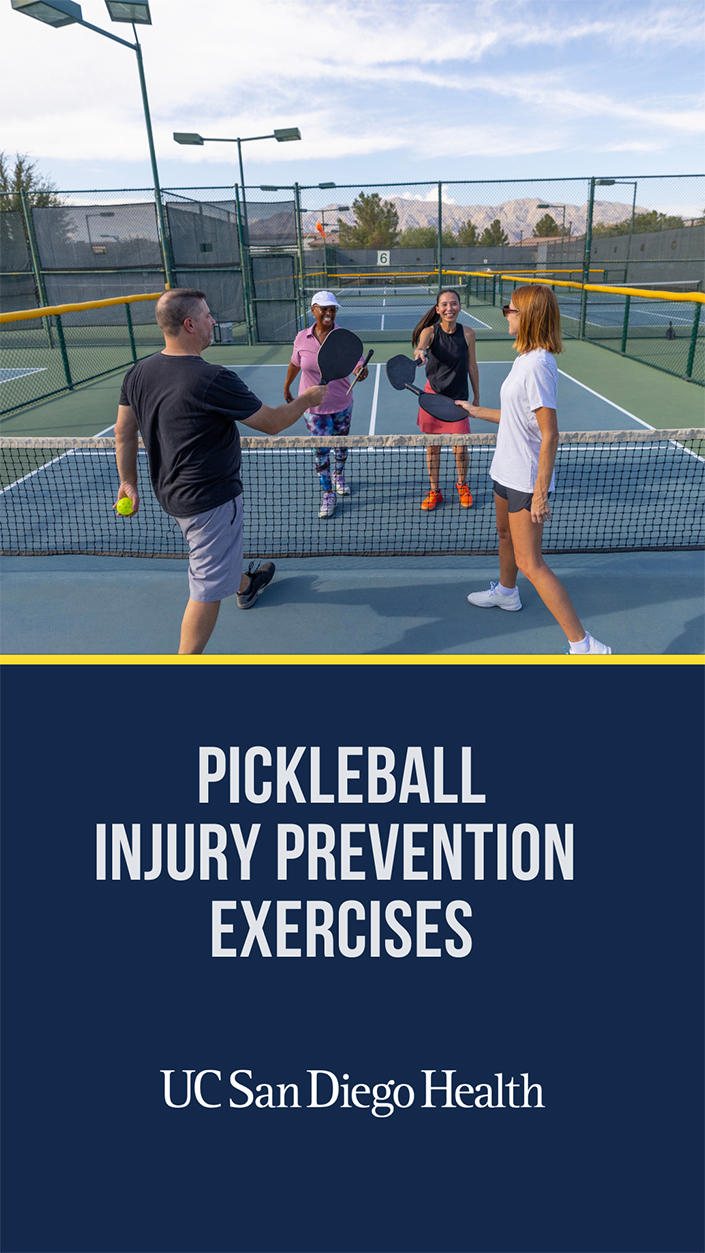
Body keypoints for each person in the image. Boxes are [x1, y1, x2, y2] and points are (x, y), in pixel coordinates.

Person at [114, 288, 328, 655]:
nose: (214, 321)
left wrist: (127, 483)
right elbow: (273, 422)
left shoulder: (138, 372)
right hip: (208, 501)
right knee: (205, 588)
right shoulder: (212, 378)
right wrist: (307, 399)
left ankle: (245, 584)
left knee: (214, 555)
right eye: (208, 315)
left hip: (170, 493)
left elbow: (122, 433)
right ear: (190, 324)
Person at [455, 284, 611, 654]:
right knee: (504, 537)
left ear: (529, 317)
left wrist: (540, 493)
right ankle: (507, 593)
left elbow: (549, 434)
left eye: (511, 309)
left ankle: (583, 644)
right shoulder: (524, 359)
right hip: (504, 470)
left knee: (531, 562)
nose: (506, 312)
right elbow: (515, 417)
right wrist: (477, 412)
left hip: (526, 478)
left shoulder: (540, 364)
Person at [285, 291, 369, 518]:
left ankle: (339, 474)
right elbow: (295, 363)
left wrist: (360, 371)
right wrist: (287, 386)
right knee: (321, 452)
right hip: (313, 408)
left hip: (342, 403)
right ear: (313, 310)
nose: (329, 313)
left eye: (332, 309)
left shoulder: (343, 336)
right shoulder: (302, 337)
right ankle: (327, 494)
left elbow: (356, 362)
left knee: (341, 447)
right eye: (324, 308)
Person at [411, 288, 480, 510]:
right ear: (437, 309)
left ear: (459, 306)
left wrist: (476, 396)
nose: (449, 308)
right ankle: (435, 491)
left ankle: (462, 485)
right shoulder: (429, 331)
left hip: (458, 400)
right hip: (432, 398)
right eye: (444, 304)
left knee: (460, 448)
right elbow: (421, 345)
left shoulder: (468, 334)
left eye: (454, 303)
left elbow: (471, 365)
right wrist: (420, 352)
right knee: (433, 448)